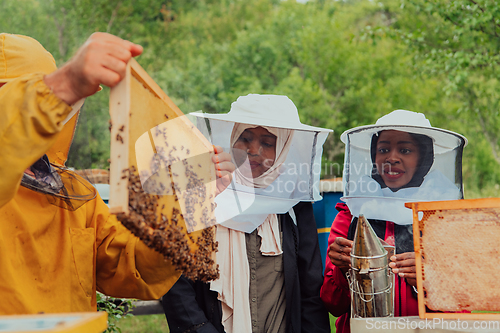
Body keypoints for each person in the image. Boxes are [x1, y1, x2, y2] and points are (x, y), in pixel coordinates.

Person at [0, 32, 233, 314]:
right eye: (28, 96)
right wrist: (63, 84)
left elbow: (135, 268)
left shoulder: (75, 199)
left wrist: (191, 201)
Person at [162, 94, 332, 333]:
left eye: (267, 142)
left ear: (283, 148)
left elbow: (310, 289)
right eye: (245, 138)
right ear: (232, 139)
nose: (253, 150)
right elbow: (174, 279)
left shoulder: (293, 204)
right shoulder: (206, 193)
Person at [320, 110, 467, 332]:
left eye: (405, 150)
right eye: (383, 149)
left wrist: (429, 280)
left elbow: (464, 306)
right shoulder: (352, 212)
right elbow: (334, 305)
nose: (392, 157)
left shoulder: (444, 216)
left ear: (424, 157)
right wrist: (342, 270)